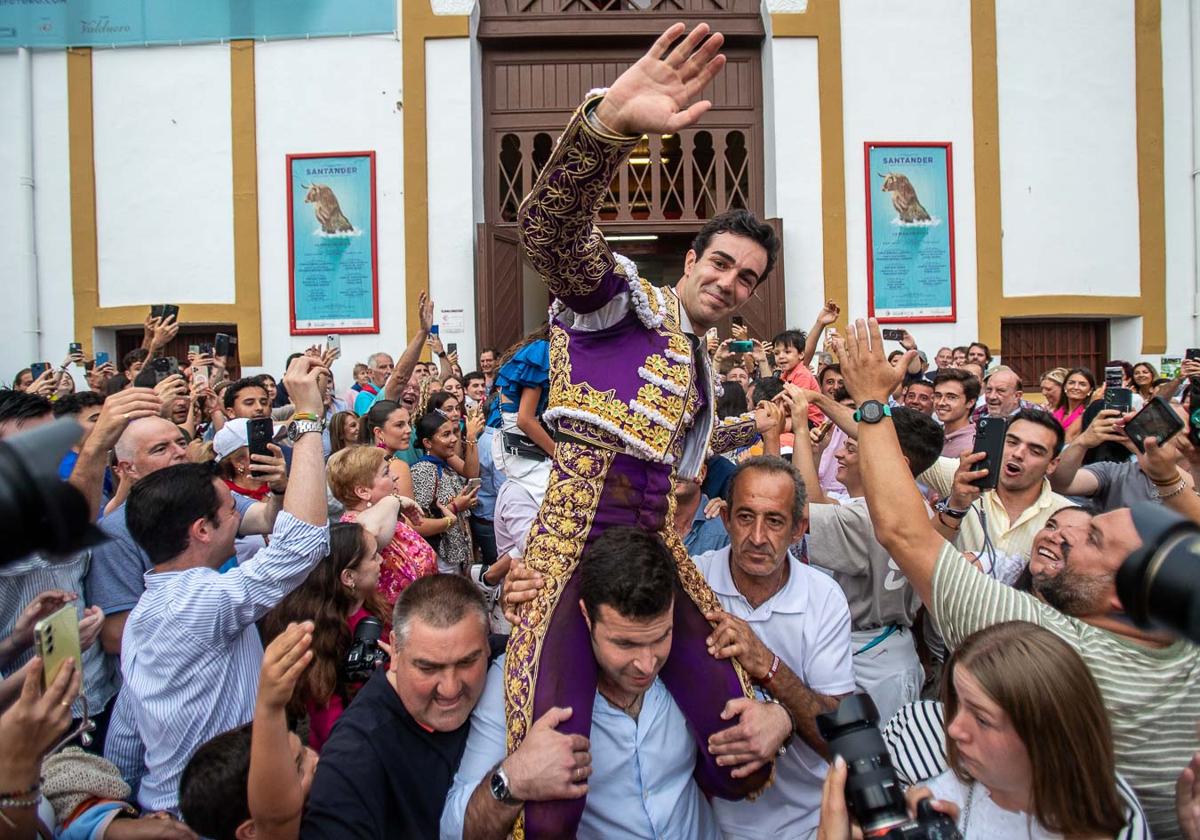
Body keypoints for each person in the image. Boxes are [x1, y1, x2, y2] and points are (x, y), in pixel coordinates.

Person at [502, 24, 789, 837]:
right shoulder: (621, 305)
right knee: (550, 804)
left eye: (749, 278)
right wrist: (609, 128)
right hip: (572, 551)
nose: (732, 284)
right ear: (692, 257)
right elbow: (551, 235)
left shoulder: (703, 364)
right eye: (722, 264)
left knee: (744, 757)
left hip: (655, 551)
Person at [836, 317, 1200, 838]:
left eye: (1094, 540)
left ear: (1124, 598)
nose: (1070, 534)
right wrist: (1165, 476)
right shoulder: (1188, 649)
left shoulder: (1049, 650)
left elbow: (903, 532)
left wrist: (871, 402)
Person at [444, 527, 795, 840]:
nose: (646, 664)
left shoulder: (693, 663)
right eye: (624, 644)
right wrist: (512, 778)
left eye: (660, 637)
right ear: (586, 615)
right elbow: (455, 829)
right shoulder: (519, 679)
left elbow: (758, 708)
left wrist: (780, 719)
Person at [109, 355, 331, 813]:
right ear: (201, 530)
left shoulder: (147, 612)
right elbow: (302, 544)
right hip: (212, 814)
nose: (238, 518)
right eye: (231, 510)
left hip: (164, 807)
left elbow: (127, 737)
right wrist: (308, 418)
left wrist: (128, 809)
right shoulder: (196, 600)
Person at [876, 622, 1148, 839]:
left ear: (1048, 739)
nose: (955, 728)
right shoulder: (914, 745)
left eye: (982, 720)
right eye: (956, 701)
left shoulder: (1116, 821)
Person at [788, 393, 941, 725]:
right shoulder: (914, 508)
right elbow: (823, 503)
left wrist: (800, 428)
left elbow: (804, 508)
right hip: (887, 650)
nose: (840, 453)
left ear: (897, 461)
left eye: (854, 448)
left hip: (870, 663)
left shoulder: (869, 517)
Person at [302, 575, 492, 838]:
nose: (450, 688)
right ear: (395, 648)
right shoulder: (354, 754)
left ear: (486, 645)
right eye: (427, 667)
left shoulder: (502, 660)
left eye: (467, 663)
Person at [88, 415, 288, 656]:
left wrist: (278, 488)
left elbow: (267, 518)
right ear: (128, 468)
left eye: (180, 443)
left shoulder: (212, 496)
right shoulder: (116, 533)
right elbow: (116, 635)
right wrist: (212, 623)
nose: (179, 452)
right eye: (160, 449)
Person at [262, 522, 390, 751]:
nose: (381, 561)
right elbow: (329, 721)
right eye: (373, 557)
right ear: (348, 577)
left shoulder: (368, 606)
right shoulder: (319, 638)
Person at [924, 408, 1073, 586]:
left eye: (1035, 451)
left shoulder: (1067, 517)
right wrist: (954, 506)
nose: (1018, 454)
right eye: (1011, 442)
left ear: (1052, 465)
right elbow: (906, 456)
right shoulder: (962, 477)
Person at [328, 445, 436, 605]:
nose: (395, 477)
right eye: (386, 472)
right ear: (363, 491)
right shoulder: (352, 529)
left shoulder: (389, 516)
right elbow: (369, 533)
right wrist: (394, 500)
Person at [1050, 403, 1195, 511]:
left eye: (1170, 426)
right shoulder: (1116, 472)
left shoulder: (1195, 476)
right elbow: (1060, 484)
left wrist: (1164, 471)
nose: (1158, 433)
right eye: (1153, 424)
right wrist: (1082, 442)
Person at [487, 325, 553, 506]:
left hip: (511, 441)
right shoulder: (543, 350)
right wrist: (557, 453)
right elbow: (525, 420)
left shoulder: (538, 347)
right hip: (518, 442)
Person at [411, 411, 479, 574]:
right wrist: (456, 507)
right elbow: (419, 520)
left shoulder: (445, 465)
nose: (454, 439)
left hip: (456, 557)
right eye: (446, 435)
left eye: (454, 433)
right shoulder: (423, 470)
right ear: (427, 443)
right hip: (442, 559)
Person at [353, 294, 436, 417]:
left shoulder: (411, 422)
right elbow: (399, 378)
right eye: (382, 367)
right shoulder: (366, 396)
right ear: (370, 372)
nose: (388, 371)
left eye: (391, 366)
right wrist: (423, 332)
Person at [931, 369, 978, 457]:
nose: (941, 402)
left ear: (970, 402)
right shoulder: (932, 434)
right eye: (938, 396)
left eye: (951, 397)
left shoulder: (973, 445)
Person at [969, 366, 1037, 424]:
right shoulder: (977, 414)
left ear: (1017, 396)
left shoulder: (1036, 415)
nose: (992, 397)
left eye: (1000, 391)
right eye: (989, 390)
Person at [1052, 366, 1096, 440]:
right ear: (1065, 387)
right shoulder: (1057, 412)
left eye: (1082, 384)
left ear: (1090, 390)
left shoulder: (1091, 413)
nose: (1076, 387)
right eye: (1071, 383)